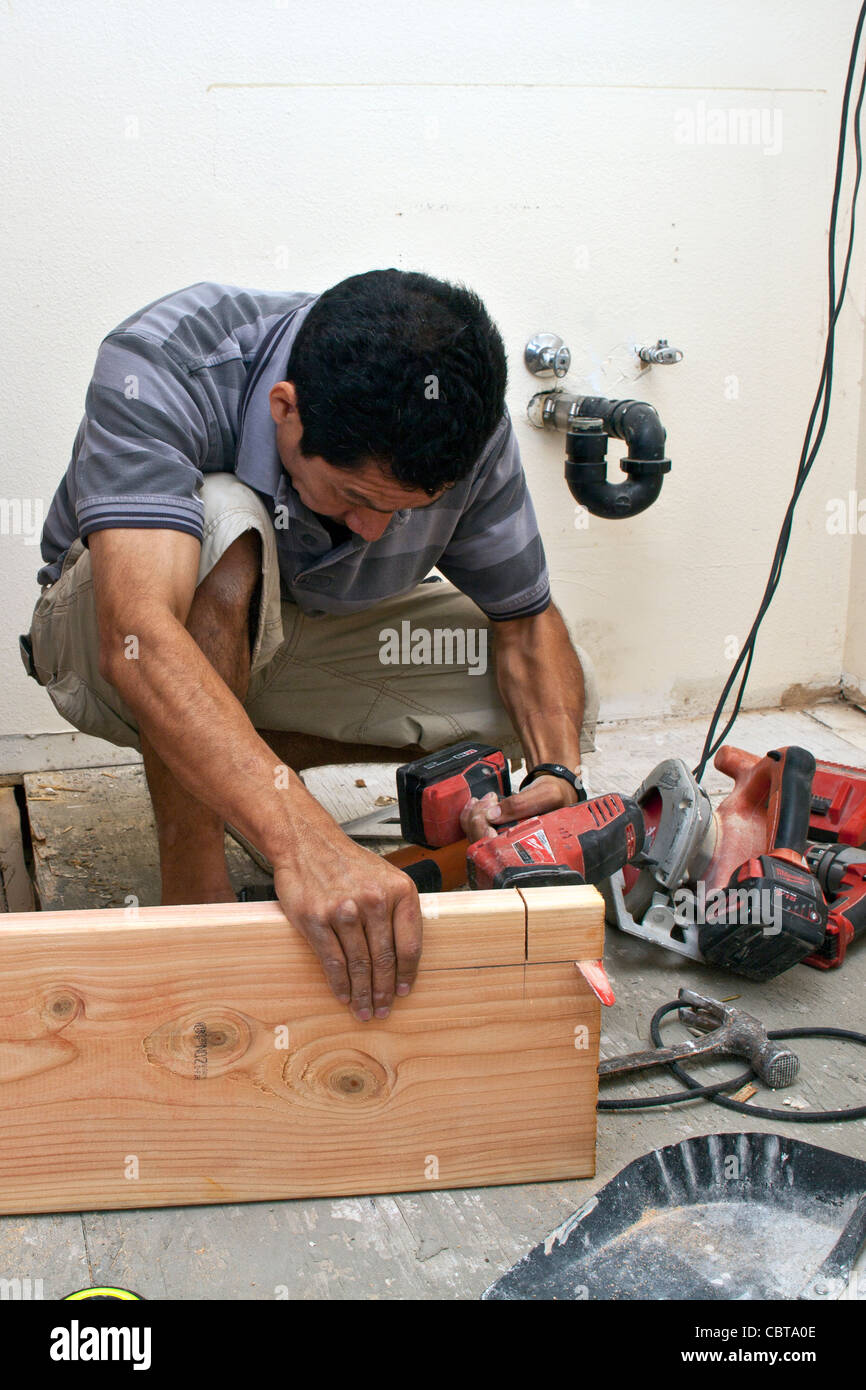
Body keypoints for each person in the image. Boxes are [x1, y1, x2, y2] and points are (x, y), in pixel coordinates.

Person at [21, 270, 598, 1022]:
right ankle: (199, 902)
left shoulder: (464, 421)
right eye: (356, 498)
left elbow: (525, 624)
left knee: (546, 686)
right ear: (285, 410)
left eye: (405, 513)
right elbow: (138, 637)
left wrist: (558, 772)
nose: (374, 531)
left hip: (291, 634)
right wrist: (305, 841)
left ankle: (243, 766)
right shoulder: (164, 359)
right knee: (225, 517)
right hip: (114, 642)